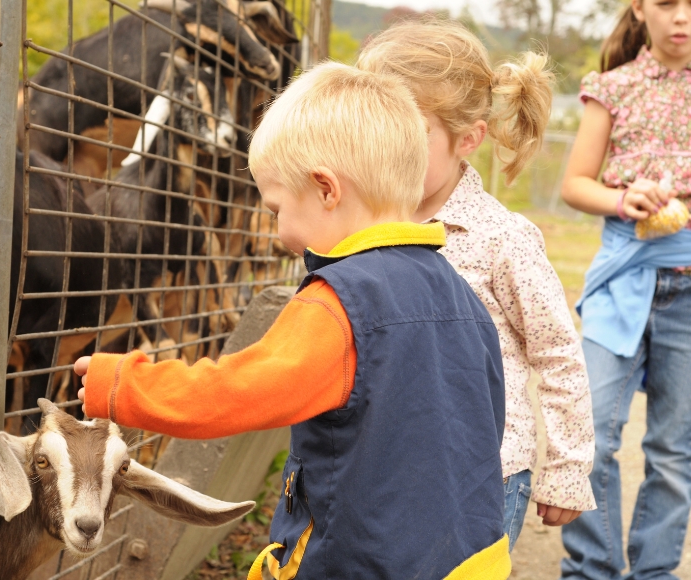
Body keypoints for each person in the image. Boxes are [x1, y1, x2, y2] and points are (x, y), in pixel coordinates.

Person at [75, 61, 512, 578]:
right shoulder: (461, 294)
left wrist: (123, 384)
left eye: (276, 206)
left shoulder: (339, 302)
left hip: (365, 562)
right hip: (470, 557)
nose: (277, 230)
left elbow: (238, 392)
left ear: (326, 189)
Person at [356, 18, 598, 552]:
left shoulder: (501, 239)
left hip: (483, 475)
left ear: (468, 138)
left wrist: (566, 468)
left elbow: (557, 354)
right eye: (373, 125)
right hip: (387, 471)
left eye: (408, 131)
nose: (384, 147)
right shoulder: (357, 228)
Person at [554, 0, 691, 576]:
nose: (681, 16)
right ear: (640, 7)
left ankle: (655, 572)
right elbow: (574, 183)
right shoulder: (613, 86)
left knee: (673, 452)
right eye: (666, 3)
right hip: (622, 282)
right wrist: (621, 199)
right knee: (592, 437)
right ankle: (593, 568)